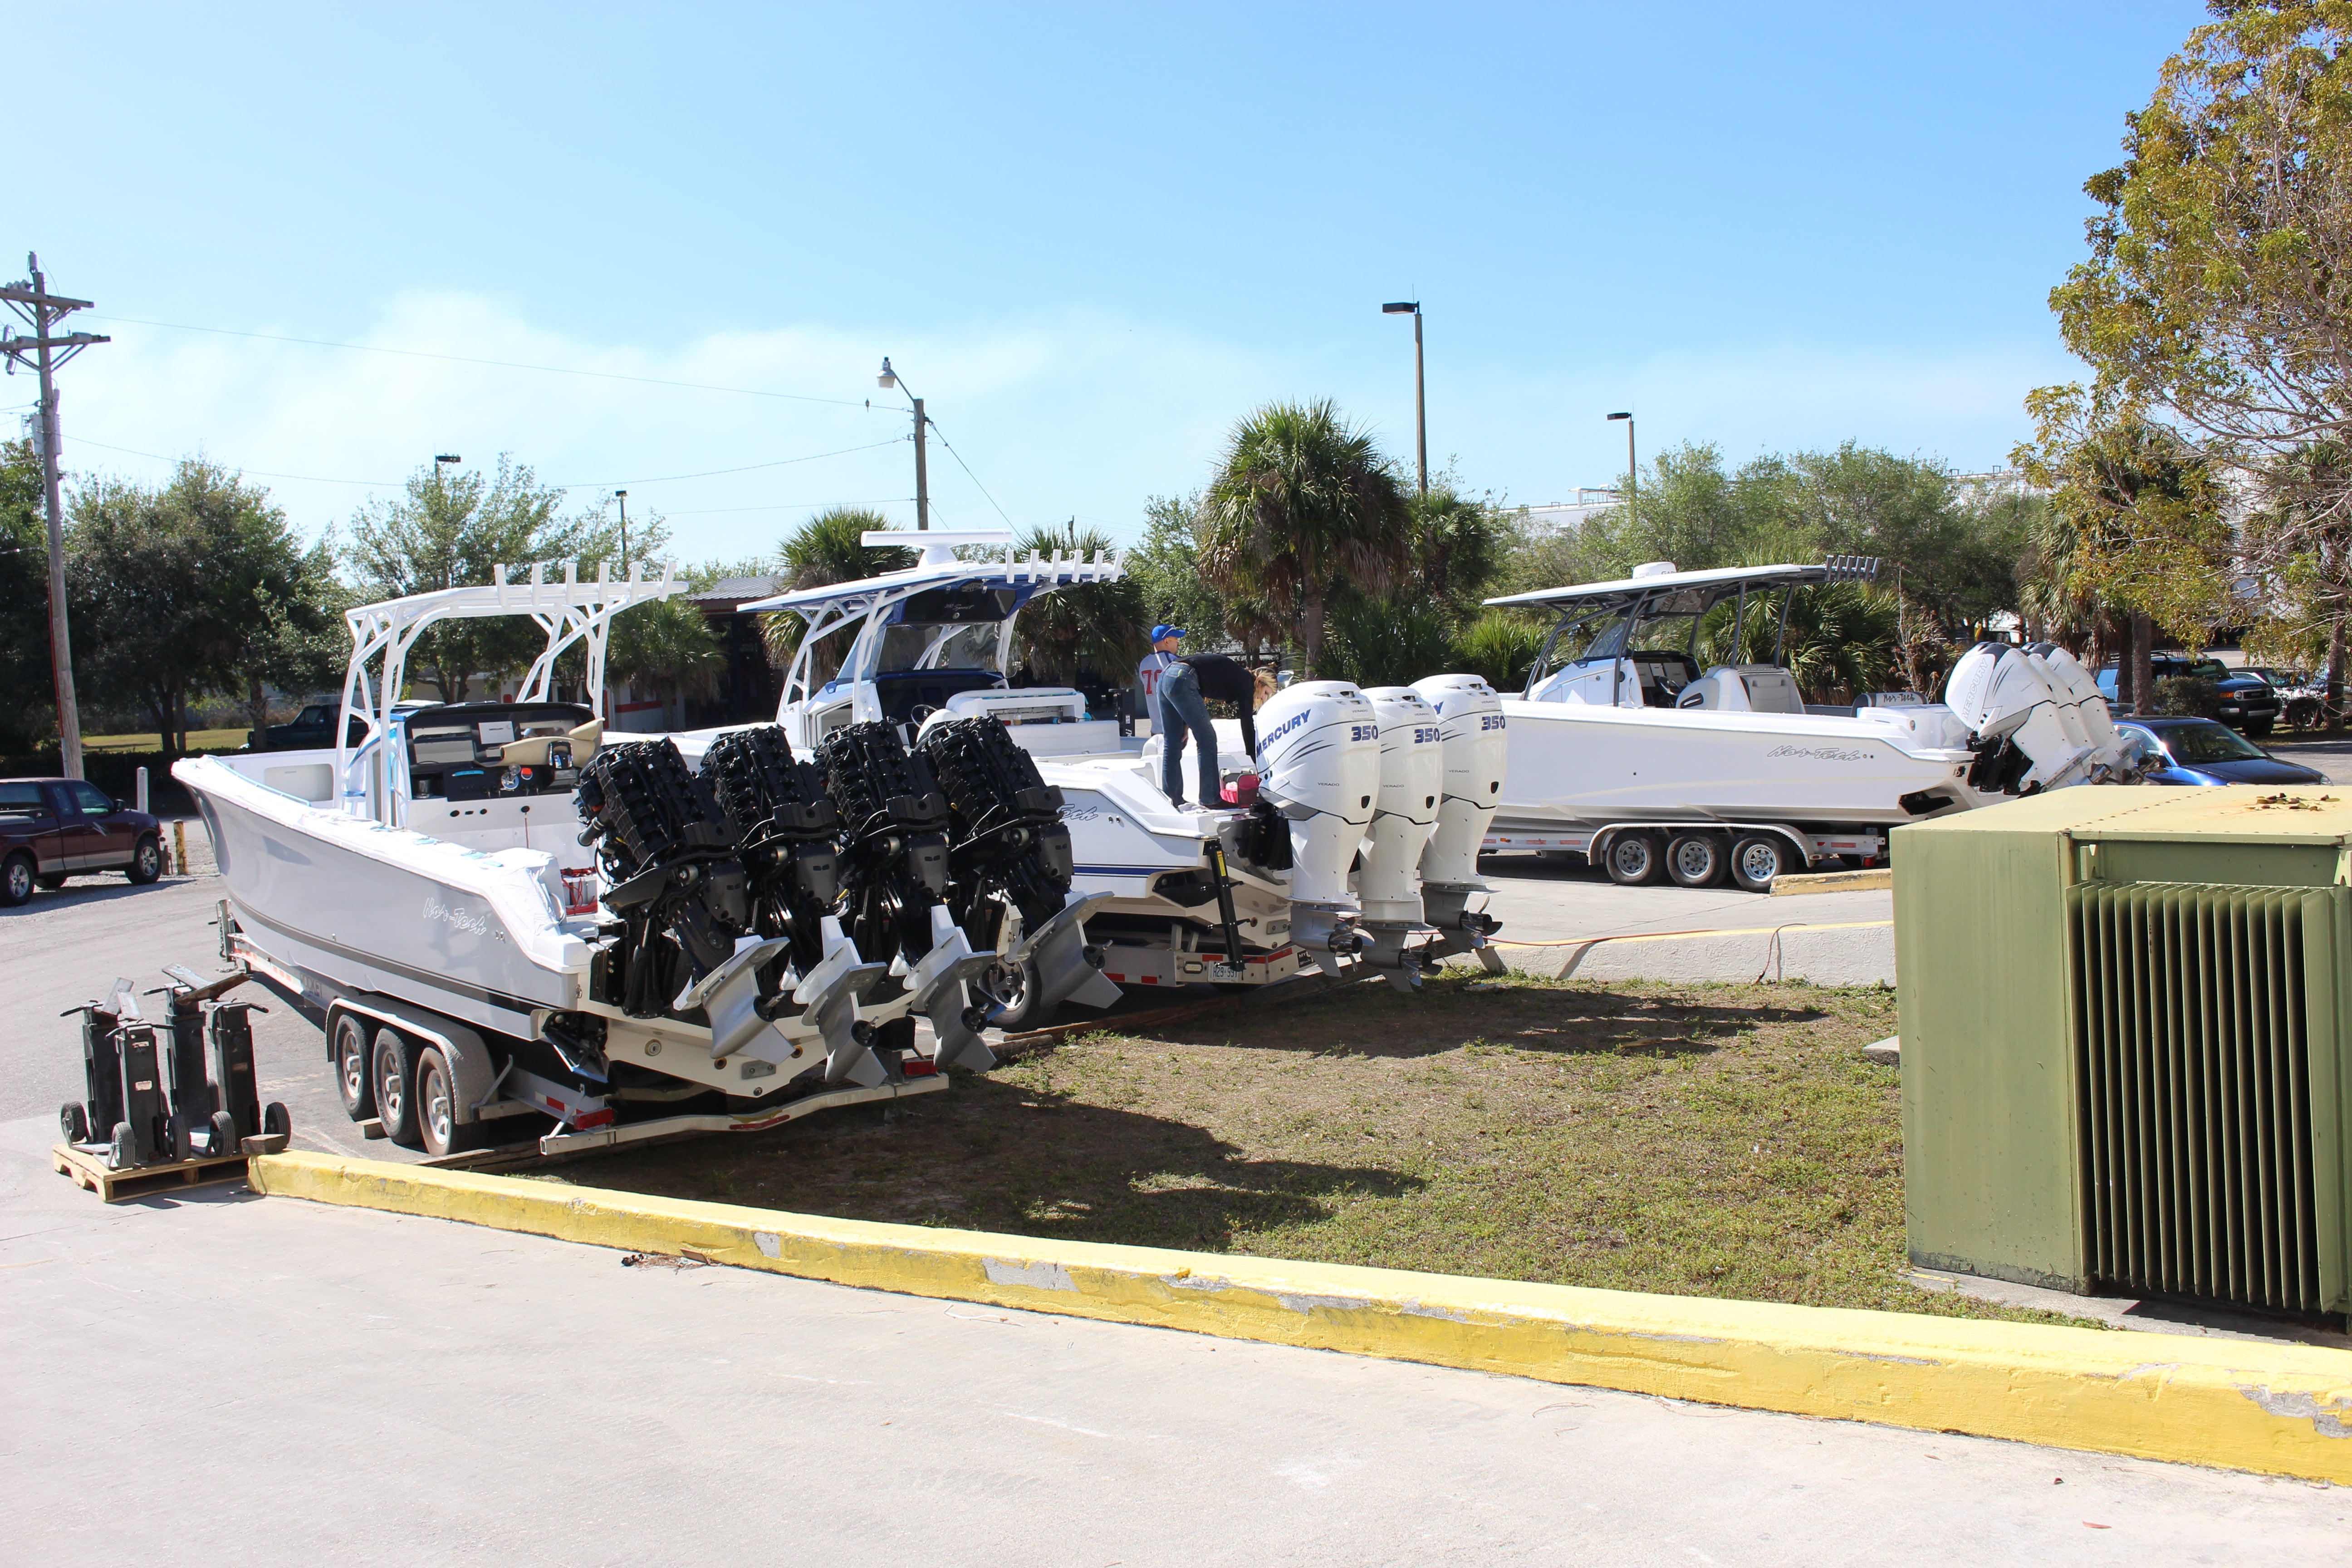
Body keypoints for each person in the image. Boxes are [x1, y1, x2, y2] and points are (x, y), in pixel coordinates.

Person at [1137, 624, 1219, 806]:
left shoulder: (1144, 663)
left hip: (1155, 722)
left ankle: (1173, 797)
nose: (1178, 644)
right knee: (1174, 757)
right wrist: (1186, 724)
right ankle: (1176, 798)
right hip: (1172, 719)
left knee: (1170, 758)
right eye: (1176, 640)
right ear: (1167, 641)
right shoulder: (1174, 661)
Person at [1182, 652, 1277, 762]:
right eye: (1266, 693)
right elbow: (1247, 723)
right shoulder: (1246, 683)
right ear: (1260, 682)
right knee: (1208, 740)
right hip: (1186, 675)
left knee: (1176, 740)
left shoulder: (1239, 677)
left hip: (1174, 671)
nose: (1264, 698)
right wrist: (1257, 759)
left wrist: (1185, 724)